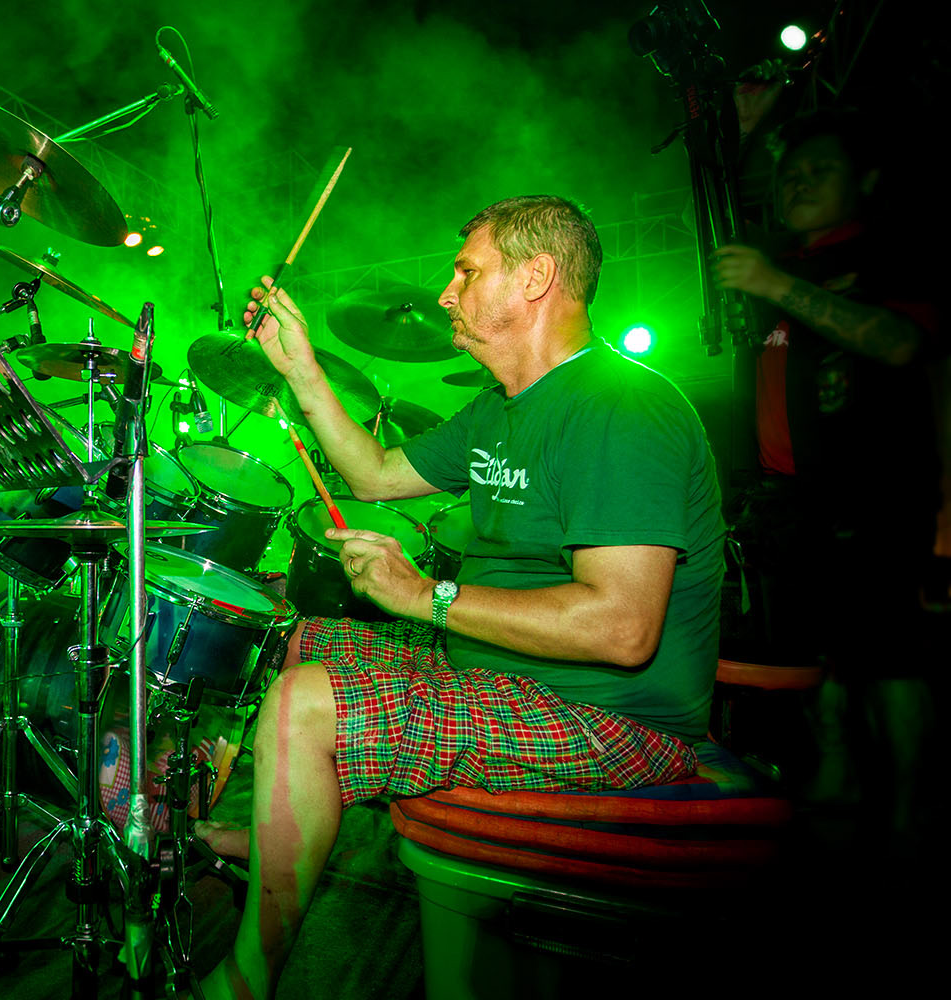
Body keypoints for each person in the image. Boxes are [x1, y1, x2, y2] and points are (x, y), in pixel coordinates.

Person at [196, 195, 725, 1000]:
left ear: (536, 278)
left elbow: (621, 628)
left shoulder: (623, 407)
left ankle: (246, 978)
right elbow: (375, 474)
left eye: (467, 272)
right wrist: (300, 369)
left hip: (611, 719)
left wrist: (427, 596)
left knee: (306, 704)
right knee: (290, 636)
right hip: (502, 676)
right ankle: (281, 834)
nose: (446, 293)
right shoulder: (497, 409)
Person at [711, 110, 943, 847]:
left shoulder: (889, 252)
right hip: (792, 501)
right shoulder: (782, 263)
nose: (797, 184)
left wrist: (776, 284)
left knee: (892, 660)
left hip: (876, 493)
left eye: (820, 170)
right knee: (822, 661)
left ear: (866, 180)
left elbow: (901, 343)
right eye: (789, 174)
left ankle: (911, 813)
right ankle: (840, 790)